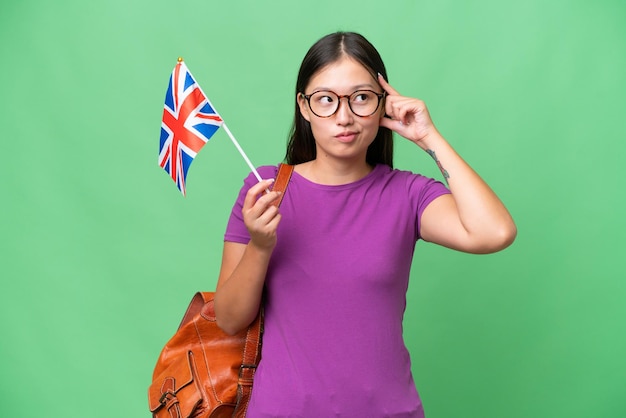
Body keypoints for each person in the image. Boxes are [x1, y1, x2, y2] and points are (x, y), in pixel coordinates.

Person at [214, 31, 516, 417]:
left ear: (382, 105)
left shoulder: (407, 194)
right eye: (326, 100)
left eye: (361, 98)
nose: (344, 117)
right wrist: (259, 244)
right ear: (304, 107)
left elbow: (495, 232)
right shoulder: (265, 189)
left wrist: (429, 137)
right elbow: (229, 318)